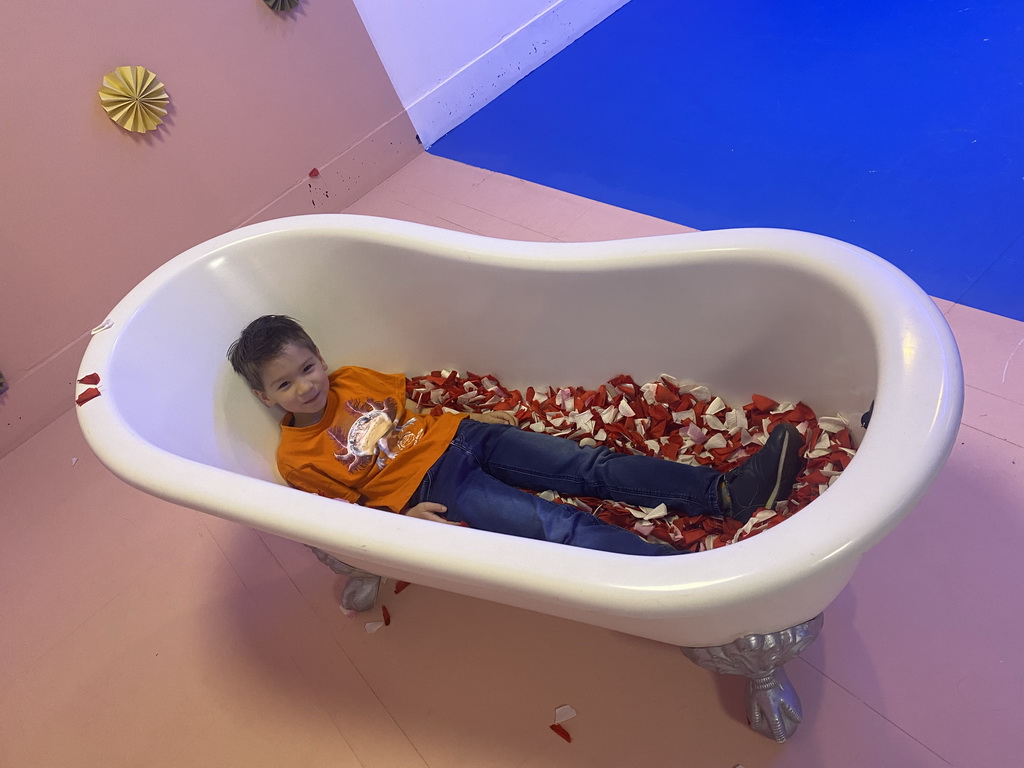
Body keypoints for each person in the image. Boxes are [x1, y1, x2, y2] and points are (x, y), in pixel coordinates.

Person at [227, 315, 804, 557]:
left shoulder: (353, 379)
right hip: (430, 487)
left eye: (307, 368)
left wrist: (471, 413)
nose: (304, 387)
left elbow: (417, 393)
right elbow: (340, 518)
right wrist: (400, 523)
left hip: (465, 436)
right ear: (265, 397)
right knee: (559, 526)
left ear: (320, 359)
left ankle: (728, 493)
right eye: (285, 383)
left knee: (590, 464)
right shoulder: (296, 458)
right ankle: (672, 575)